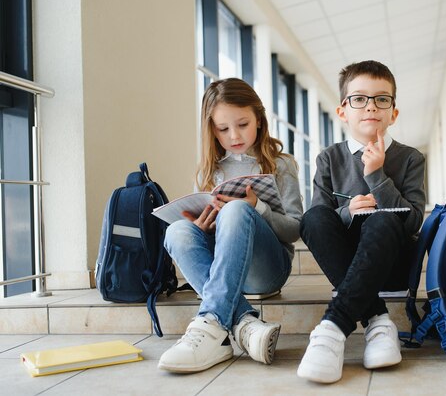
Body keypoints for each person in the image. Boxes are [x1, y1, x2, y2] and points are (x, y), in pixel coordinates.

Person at [158, 78, 303, 373]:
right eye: (223, 129)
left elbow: (296, 230)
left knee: (236, 209)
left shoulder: (281, 164)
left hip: (267, 271)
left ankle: (211, 323)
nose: (234, 135)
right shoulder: (210, 171)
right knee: (177, 231)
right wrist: (203, 227)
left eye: (243, 124)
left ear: (259, 121)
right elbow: (200, 231)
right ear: (211, 129)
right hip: (225, 270)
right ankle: (242, 326)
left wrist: (258, 209)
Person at [297, 60, 426, 383]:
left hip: (393, 265)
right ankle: (378, 320)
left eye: (382, 99)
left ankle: (333, 327)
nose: (371, 106)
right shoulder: (329, 158)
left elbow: (412, 223)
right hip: (346, 265)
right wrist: (347, 212)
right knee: (312, 218)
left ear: (393, 112)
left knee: (382, 222)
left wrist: (377, 176)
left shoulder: (411, 158)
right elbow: (319, 220)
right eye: (359, 98)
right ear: (343, 111)